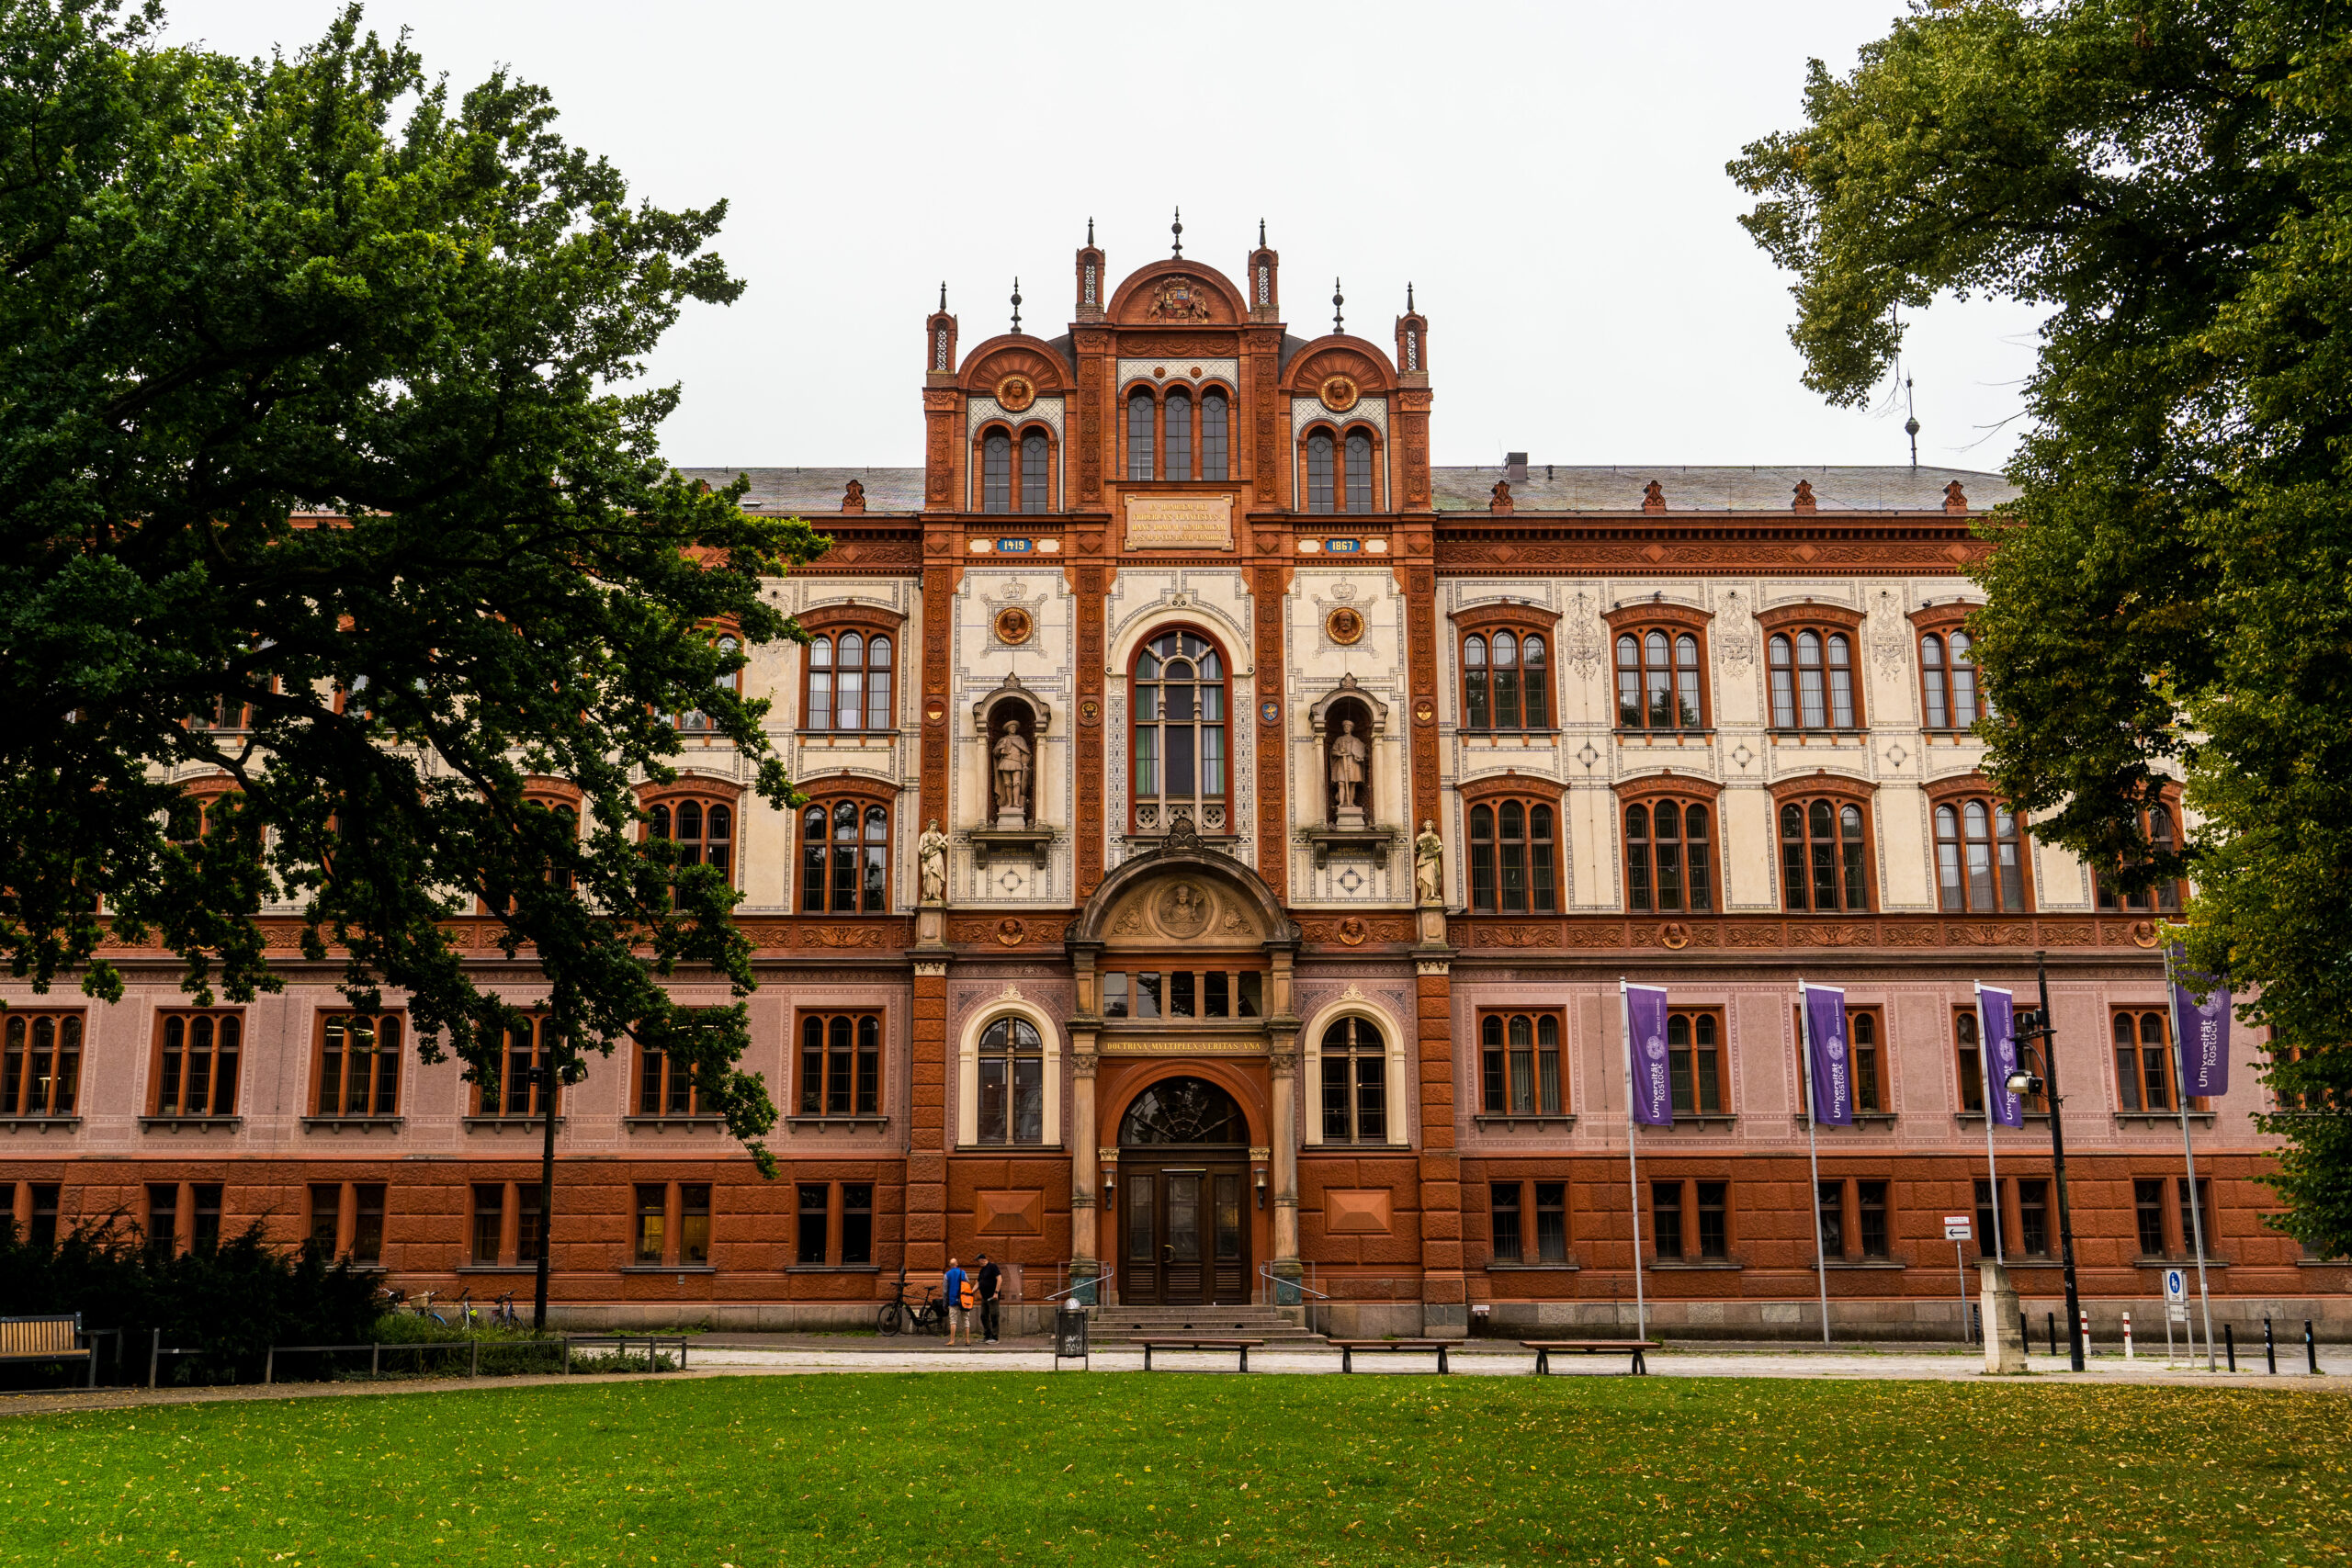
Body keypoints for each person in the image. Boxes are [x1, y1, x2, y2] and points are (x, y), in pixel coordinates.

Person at [944, 1256, 971, 1347]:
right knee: (966, 1320)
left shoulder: (947, 1275)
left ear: (950, 1265)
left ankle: (952, 1340)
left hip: (952, 1300)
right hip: (963, 1300)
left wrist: (945, 1302)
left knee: (953, 1321)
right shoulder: (963, 1273)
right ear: (957, 1264)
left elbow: (945, 1290)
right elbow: (968, 1284)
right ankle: (967, 1340)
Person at [976, 1252, 1002, 1345]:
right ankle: (987, 1335)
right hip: (985, 1297)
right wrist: (970, 1293)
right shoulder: (982, 1270)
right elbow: (978, 1283)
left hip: (992, 1297)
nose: (978, 1263)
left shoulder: (992, 1266)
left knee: (994, 1315)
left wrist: (996, 1293)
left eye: (978, 1261)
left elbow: (999, 1279)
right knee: (983, 1316)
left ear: (982, 1259)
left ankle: (995, 1337)